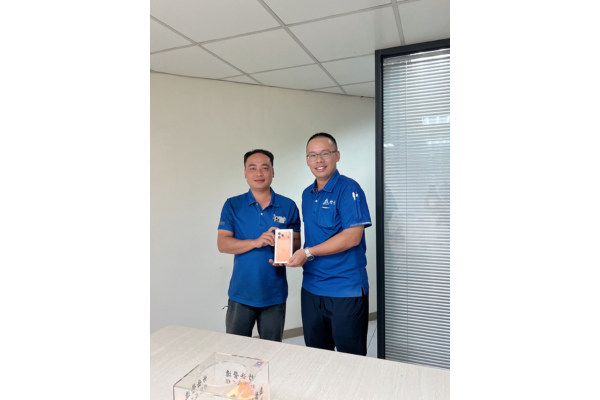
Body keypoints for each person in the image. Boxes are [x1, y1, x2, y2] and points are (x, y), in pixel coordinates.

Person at [281, 132, 372, 355]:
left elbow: (352, 237)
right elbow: (312, 237)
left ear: (337, 156)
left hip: (345, 289)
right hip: (312, 288)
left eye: (325, 153)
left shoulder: (349, 189)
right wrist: (283, 249)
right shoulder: (307, 194)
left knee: (350, 359)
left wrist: (307, 253)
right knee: (317, 355)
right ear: (307, 160)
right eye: (313, 155)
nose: (319, 160)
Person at [217, 149, 301, 342]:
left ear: (273, 171)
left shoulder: (288, 205)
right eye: (252, 168)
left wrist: (286, 253)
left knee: (271, 350)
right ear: (245, 172)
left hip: (274, 293)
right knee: (235, 349)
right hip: (241, 292)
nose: (259, 173)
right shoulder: (232, 205)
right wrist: (255, 242)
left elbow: (296, 242)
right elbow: (223, 244)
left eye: (265, 167)